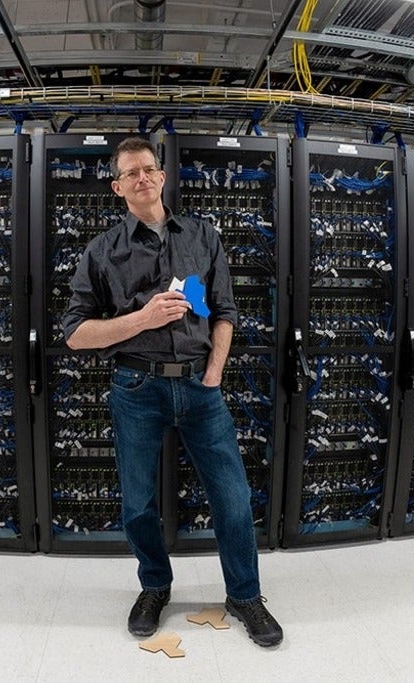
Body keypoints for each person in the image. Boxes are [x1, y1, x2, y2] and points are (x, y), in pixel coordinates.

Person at [61, 137, 283, 648]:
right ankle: (154, 587)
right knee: (138, 502)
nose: (143, 177)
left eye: (149, 169)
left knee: (232, 496)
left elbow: (224, 311)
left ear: (162, 177)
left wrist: (215, 374)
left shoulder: (203, 236)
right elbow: (74, 334)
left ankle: (245, 595)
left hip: (200, 387)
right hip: (136, 387)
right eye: (131, 173)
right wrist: (141, 318)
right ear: (118, 188)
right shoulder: (102, 251)